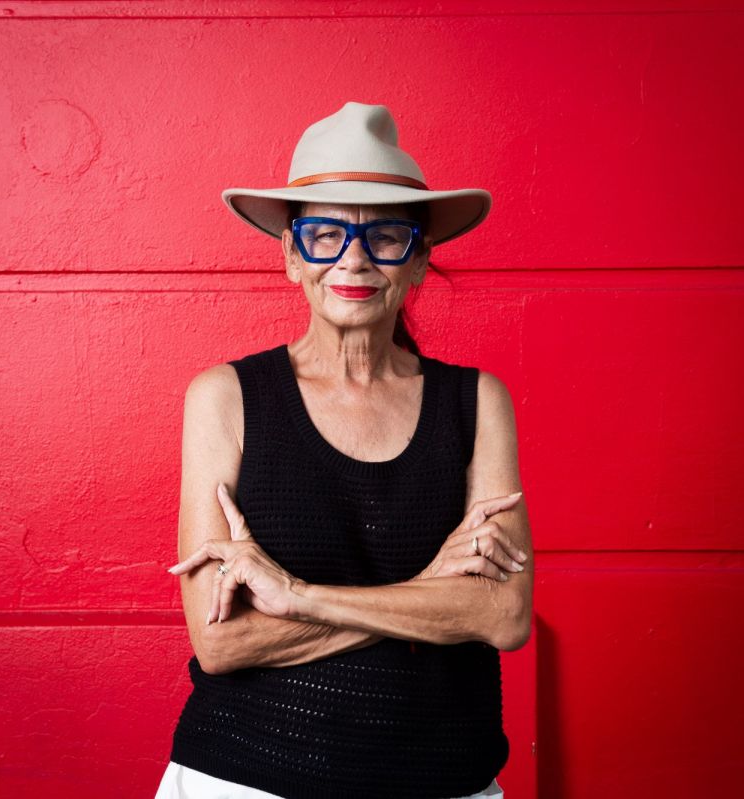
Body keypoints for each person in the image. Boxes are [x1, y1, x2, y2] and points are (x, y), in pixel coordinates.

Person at [157, 102, 533, 799]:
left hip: (443, 779)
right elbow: (221, 643)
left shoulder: (477, 402)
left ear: (418, 261)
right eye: (325, 234)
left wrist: (296, 596)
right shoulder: (226, 397)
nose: (353, 259)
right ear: (291, 256)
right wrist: (431, 592)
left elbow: (503, 616)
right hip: (246, 780)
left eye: (385, 236)